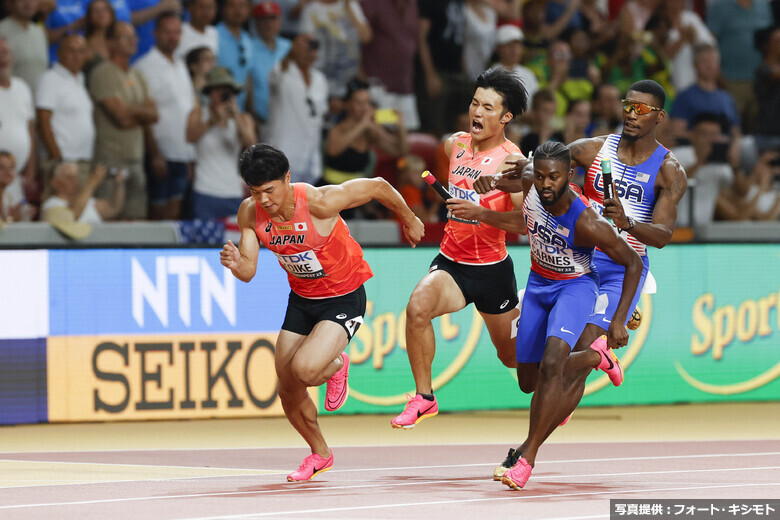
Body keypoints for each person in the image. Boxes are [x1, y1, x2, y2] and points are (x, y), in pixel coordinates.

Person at [484, 79, 688, 486]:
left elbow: (663, 236)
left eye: (642, 109)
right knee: (541, 375)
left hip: (620, 268)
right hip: (580, 260)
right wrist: (509, 176)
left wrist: (630, 223)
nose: (631, 113)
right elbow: (546, 168)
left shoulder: (668, 171)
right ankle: (599, 358)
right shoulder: (595, 149)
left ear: (659, 117)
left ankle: (526, 454)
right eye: (628, 105)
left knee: (563, 366)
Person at [220, 143, 424, 481]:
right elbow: (248, 271)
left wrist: (409, 217)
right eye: (256, 193)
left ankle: (337, 365)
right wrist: (235, 264)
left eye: (270, 190)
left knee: (305, 369)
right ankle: (319, 453)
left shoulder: (319, 202)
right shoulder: (250, 213)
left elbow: (378, 186)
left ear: (287, 178)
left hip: (343, 297)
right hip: (302, 300)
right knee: (287, 386)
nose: (265, 200)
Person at [390, 67, 529, 429]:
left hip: (493, 271)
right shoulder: (454, 144)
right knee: (417, 308)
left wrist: (481, 213)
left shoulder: (513, 162)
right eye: (474, 103)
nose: (477, 113)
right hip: (452, 263)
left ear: (506, 117)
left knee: (511, 358)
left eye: (488, 107)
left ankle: (575, 346)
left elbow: (527, 223)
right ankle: (424, 398)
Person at [501, 141, 642, 491]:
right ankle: (597, 356)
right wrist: (492, 184)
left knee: (553, 364)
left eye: (555, 177)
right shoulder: (532, 180)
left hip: (576, 287)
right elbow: (519, 175)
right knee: (528, 382)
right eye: (542, 176)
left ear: (570, 176)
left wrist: (620, 318)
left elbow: (633, 262)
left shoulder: (588, 222)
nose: (546, 184)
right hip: (538, 283)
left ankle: (527, 457)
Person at [136, 12, 196, 220]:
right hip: (161, 153)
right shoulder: (144, 66)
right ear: (155, 33)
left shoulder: (180, 64)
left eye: (177, 32)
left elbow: (187, 108)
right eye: (167, 32)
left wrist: (190, 155)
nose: (172, 37)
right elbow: (143, 116)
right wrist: (154, 154)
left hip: (182, 153)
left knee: (175, 211)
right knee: (157, 212)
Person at [186, 66, 255, 220]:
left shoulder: (243, 119)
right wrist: (213, 120)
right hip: (204, 191)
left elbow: (253, 148)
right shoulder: (198, 113)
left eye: (228, 90)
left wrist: (235, 117)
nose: (224, 94)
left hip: (232, 192)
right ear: (210, 92)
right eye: (219, 89)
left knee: (234, 243)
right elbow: (190, 137)